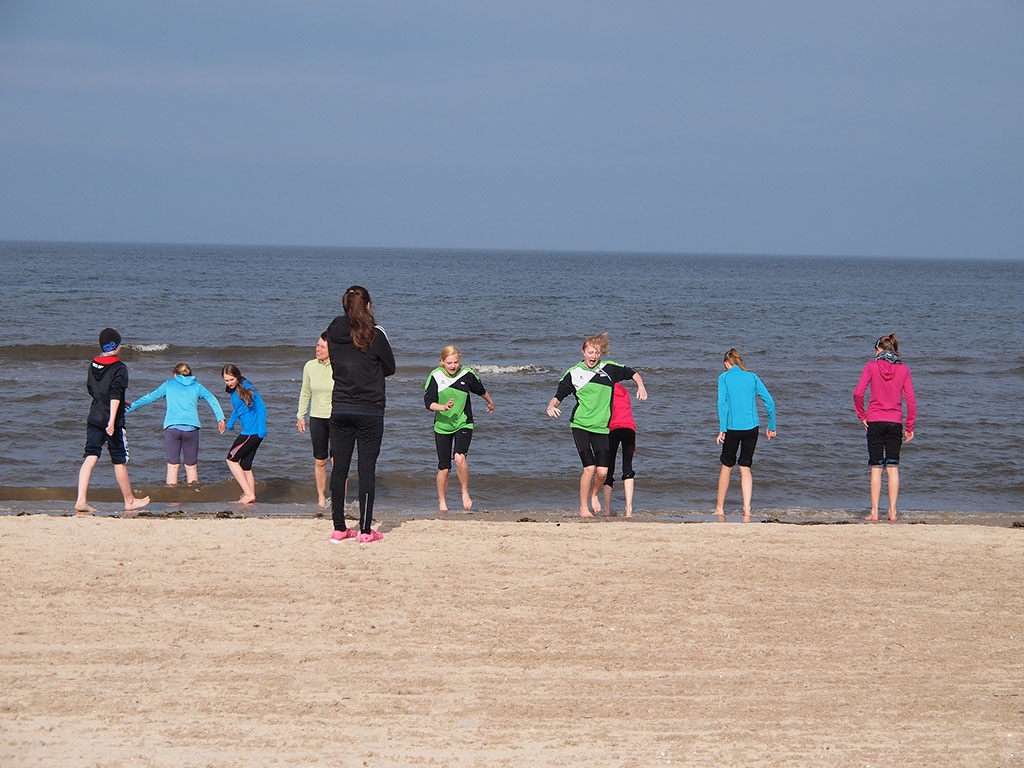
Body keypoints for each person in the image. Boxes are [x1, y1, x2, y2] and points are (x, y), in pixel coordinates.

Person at [546, 333, 647, 518]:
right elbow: (559, 395)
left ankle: (594, 494)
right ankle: (583, 507)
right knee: (589, 468)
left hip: (602, 427)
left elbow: (632, 372)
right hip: (581, 425)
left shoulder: (609, 369)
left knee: (602, 472)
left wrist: (641, 386)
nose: (593, 356)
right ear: (583, 352)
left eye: (597, 352)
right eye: (590, 352)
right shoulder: (573, 373)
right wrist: (551, 406)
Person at [325, 286, 396, 544]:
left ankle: (339, 527)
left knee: (339, 469)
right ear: (367, 305)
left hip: (341, 406)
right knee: (366, 469)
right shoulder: (374, 333)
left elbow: (333, 358)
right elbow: (390, 367)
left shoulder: (334, 331)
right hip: (369, 408)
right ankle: (365, 531)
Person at [74, 328, 151, 515]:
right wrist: (111, 420)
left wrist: (111, 402)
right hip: (112, 421)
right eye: (119, 344)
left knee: (90, 456)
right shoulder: (119, 367)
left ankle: (81, 500)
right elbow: (115, 393)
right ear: (115, 346)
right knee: (119, 460)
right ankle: (130, 500)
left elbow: (92, 389)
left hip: (94, 415)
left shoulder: (93, 364)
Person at [127, 362, 226, 485]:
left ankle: (172, 500)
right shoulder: (197, 386)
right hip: (191, 429)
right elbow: (212, 399)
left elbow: (150, 397)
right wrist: (220, 418)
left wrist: (130, 408)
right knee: (191, 467)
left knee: (172, 466)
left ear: (175, 374)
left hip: (172, 429)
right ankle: (193, 497)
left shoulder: (169, 385)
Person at [853, 333, 916, 522]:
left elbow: (857, 393)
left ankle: (874, 512)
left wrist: (861, 415)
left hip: (875, 420)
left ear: (879, 350)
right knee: (893, 468)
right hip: (895, 421)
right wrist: (910, 425)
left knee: (876, 467)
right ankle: (892, 512)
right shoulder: (903, 370)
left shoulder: (871, 367)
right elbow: (911, 401)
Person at [424, 345, 496, 512]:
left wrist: (490, 402)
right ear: (442, 362)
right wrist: (442, 407)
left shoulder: (467, 374)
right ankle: (442, 501)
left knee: (459, 457)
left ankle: (464, 491)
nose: (453, 366)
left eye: (456, 362)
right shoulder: (435, 376)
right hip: (442, 426)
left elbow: (481, 390)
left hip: (464, 422)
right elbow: (428, 403)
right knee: (444, 467)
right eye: (449, 362)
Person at [715, 348, 776, 522]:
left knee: (727, 466)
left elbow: (722, 404)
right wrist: (771, 426)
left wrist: (722, 429)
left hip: (732, 428)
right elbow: (769, 401)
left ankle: (719, 508)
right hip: (752, 428)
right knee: (745, 467)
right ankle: (747, 509)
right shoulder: (752, 376)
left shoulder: (724, 378)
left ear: (727, 363)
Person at [296, 333, 335, 508]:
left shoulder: (340, 366)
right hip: (317, 418)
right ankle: (321, 497)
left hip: (338, 418)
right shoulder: (309, 366)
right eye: (317, 345)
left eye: (322, 346)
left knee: (338, 461)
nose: (317, 349)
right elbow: (306, 392)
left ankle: (338, 498)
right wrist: (300, 415)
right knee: (320, 460)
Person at [222, 364, 267, 504]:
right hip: (250, 431)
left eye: (231, 379)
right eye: (226, 380)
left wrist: (262, 428)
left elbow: (261, 406)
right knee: (246, 465)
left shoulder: (246, 386)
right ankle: (250, 496)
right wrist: (230, 421)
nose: (229, 383)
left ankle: (248, 494)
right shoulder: (236, 390)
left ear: (237, 376)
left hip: (252, 432)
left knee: (231, 459)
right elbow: (239, 408)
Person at [601, 382, 637, 517]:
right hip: (629, 428)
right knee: (628, 468)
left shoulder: (605, 389)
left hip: (614, 428)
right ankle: (629, 509)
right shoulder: (624, 391)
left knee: (609, 467)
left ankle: (607, 510)